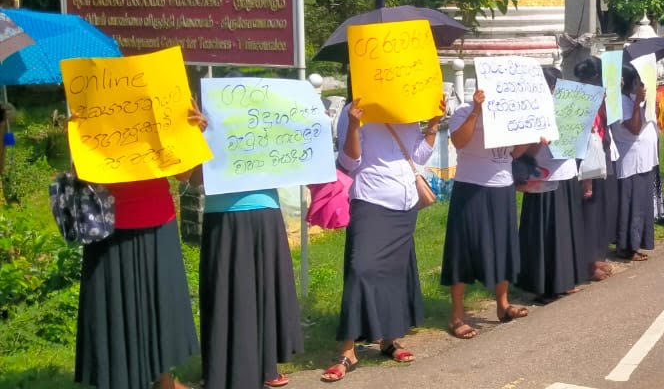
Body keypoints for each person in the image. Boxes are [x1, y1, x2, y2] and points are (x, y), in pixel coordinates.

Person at [74, 106, 205, 389]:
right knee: (116, 310)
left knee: (162, 305)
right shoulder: (93, 102)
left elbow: (183, 175)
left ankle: (165, 380)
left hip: (158, 219)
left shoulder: (163, 101)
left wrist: (192, 134)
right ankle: (121, 380)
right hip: (110, 226)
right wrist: (75, 138)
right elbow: (83, 176)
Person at [324, 97, 442, 382]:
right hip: (371, 201)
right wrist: (353, 123)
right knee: (360, 269)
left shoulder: (406, 110)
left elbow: (420, 156)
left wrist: (434, 124)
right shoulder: (356, 111)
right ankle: (348, 351)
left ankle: (389, 340)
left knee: (394, 273)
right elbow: (349, 161)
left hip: (405, 206)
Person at [442, 88, 537, 340]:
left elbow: (514, 153)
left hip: (502, 187)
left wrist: (530, 136)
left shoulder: (508, 114)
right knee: (464, 250)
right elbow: (459, 142)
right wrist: (476, 110)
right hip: (471, 187)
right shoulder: (464, 110)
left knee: (503, 245)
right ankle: (457, 316)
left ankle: (502, 305)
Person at [200, 187, 302, 389]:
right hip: (225, 213)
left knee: (260, 291)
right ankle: (226, 372)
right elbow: (192, 178)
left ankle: (264, 366)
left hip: (261, 209)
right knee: (226, 295)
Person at [517, 68, 591, 302]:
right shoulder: (532, 112)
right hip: (543, 177)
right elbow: (523, 151)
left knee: (565, 230)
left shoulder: (566, 107)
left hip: (566, 173)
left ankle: (565, 280)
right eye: (554, 87)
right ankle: (544, 285)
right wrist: (539, 142)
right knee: (544, 233)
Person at [574, 58, 615, 282]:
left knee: (599, 209)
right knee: (588, 212)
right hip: (585, 162)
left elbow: (605, 124)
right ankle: (587, 264)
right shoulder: (579, 100)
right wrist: (586, 177)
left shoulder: (596, 98)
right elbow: (583, 136)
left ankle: (597, 257)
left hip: (599, 157)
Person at [613, 64, 658, 261]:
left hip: (644, 160)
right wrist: (638, 102)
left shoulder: (631, 101)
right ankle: (627, 246)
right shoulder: (620, 103)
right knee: (630, 205)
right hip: (630, 160)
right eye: (639, 83)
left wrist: (646, 104)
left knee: (642, 205)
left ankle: (639, 242)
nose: (642, 87)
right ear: (629, 83)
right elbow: (633, 128)